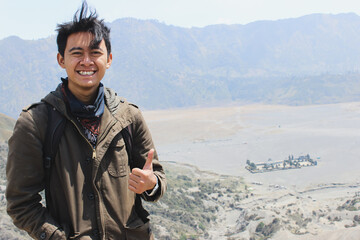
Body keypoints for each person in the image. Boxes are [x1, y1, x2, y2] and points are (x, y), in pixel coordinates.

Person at [6, 2, 166, 239]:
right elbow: (20, 203)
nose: (87, 61)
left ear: (108, 59)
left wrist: (151, 184)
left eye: (95, 53)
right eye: (77, 53)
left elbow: (157, 179)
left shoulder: (128, 117)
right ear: (61, 59)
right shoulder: (36, 122)